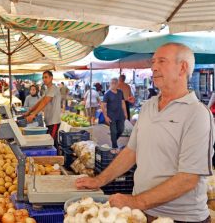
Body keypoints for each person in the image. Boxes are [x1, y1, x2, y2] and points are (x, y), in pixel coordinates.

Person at [76, 43, 214, 222]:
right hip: (143, 213)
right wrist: (99, 180)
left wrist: (136, 201)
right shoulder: (149, 106)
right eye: (154, 61)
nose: (154, 67)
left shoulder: (197, 113)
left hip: (180, 218)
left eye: (162, 61)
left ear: (182, 68)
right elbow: (131, 151)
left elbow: (188, 178)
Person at [25, 71, 61, 148]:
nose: (44, 79)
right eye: (43, 77)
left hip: (54, 121)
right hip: (49, 121)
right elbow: (39, 102)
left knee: (52, 143)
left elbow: (45, 102)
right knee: (51, 142)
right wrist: (29, 112)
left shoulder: (53, 88)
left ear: (51, 78)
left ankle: (57, 159)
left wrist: (33, 114)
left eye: (46, 77)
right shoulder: (47, 90)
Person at [102, 78, 127, 149]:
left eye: (115, 83)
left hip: (120, 115)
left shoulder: (120, 92)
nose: (113, 84)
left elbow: (123, 102)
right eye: (112, 83)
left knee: (121, 130)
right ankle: (114, 146)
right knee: (113, 131)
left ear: (117, 84)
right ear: (110, 84)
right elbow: (103, 105)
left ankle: (114, 140)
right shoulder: (107, 93)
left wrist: (125, 113)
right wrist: (105, 116)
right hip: (111, 116)